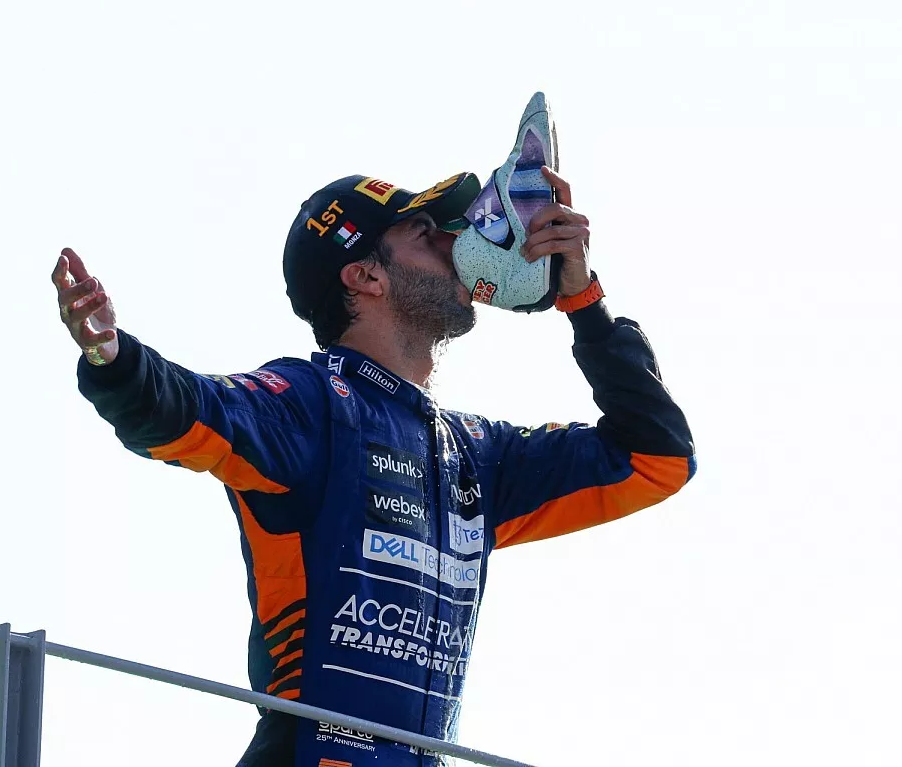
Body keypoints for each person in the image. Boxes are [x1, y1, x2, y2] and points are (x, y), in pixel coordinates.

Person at [54, 159, 696, 765]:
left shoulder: (478, 455)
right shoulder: (308, 404)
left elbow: (658, 457)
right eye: (424, 232)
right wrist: (114, 358)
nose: (455, 241)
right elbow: (186, 409)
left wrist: (582, 300)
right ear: (365, 277)